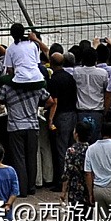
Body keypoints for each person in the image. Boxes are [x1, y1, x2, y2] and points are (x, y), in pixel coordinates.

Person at [1, 79, 49, 197]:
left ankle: (22, 189)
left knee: (19, 159)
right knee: (31, 157)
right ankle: (31, 187)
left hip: (15, 126)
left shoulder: (7, 87)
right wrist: (38, 107)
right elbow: (51, 101)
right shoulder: (36, 87)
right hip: (33, 126)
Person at [46, 52, 78, 191]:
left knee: (61, 150)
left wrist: (50, 120)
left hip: (61, 116)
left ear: (51, 63)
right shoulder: (70, 77)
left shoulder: (53, 80)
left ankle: (61, 182)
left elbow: (54, 102)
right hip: (72, 114)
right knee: (71, 148)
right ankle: (72, 179)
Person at [62, 121, 93, 221]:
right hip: (89, 188)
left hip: (75, 190)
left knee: (77, 220)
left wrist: (63, 192)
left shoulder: (71, 150)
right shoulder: (92, 149)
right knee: (89, 218)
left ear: (77, 134)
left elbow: (67, 173)